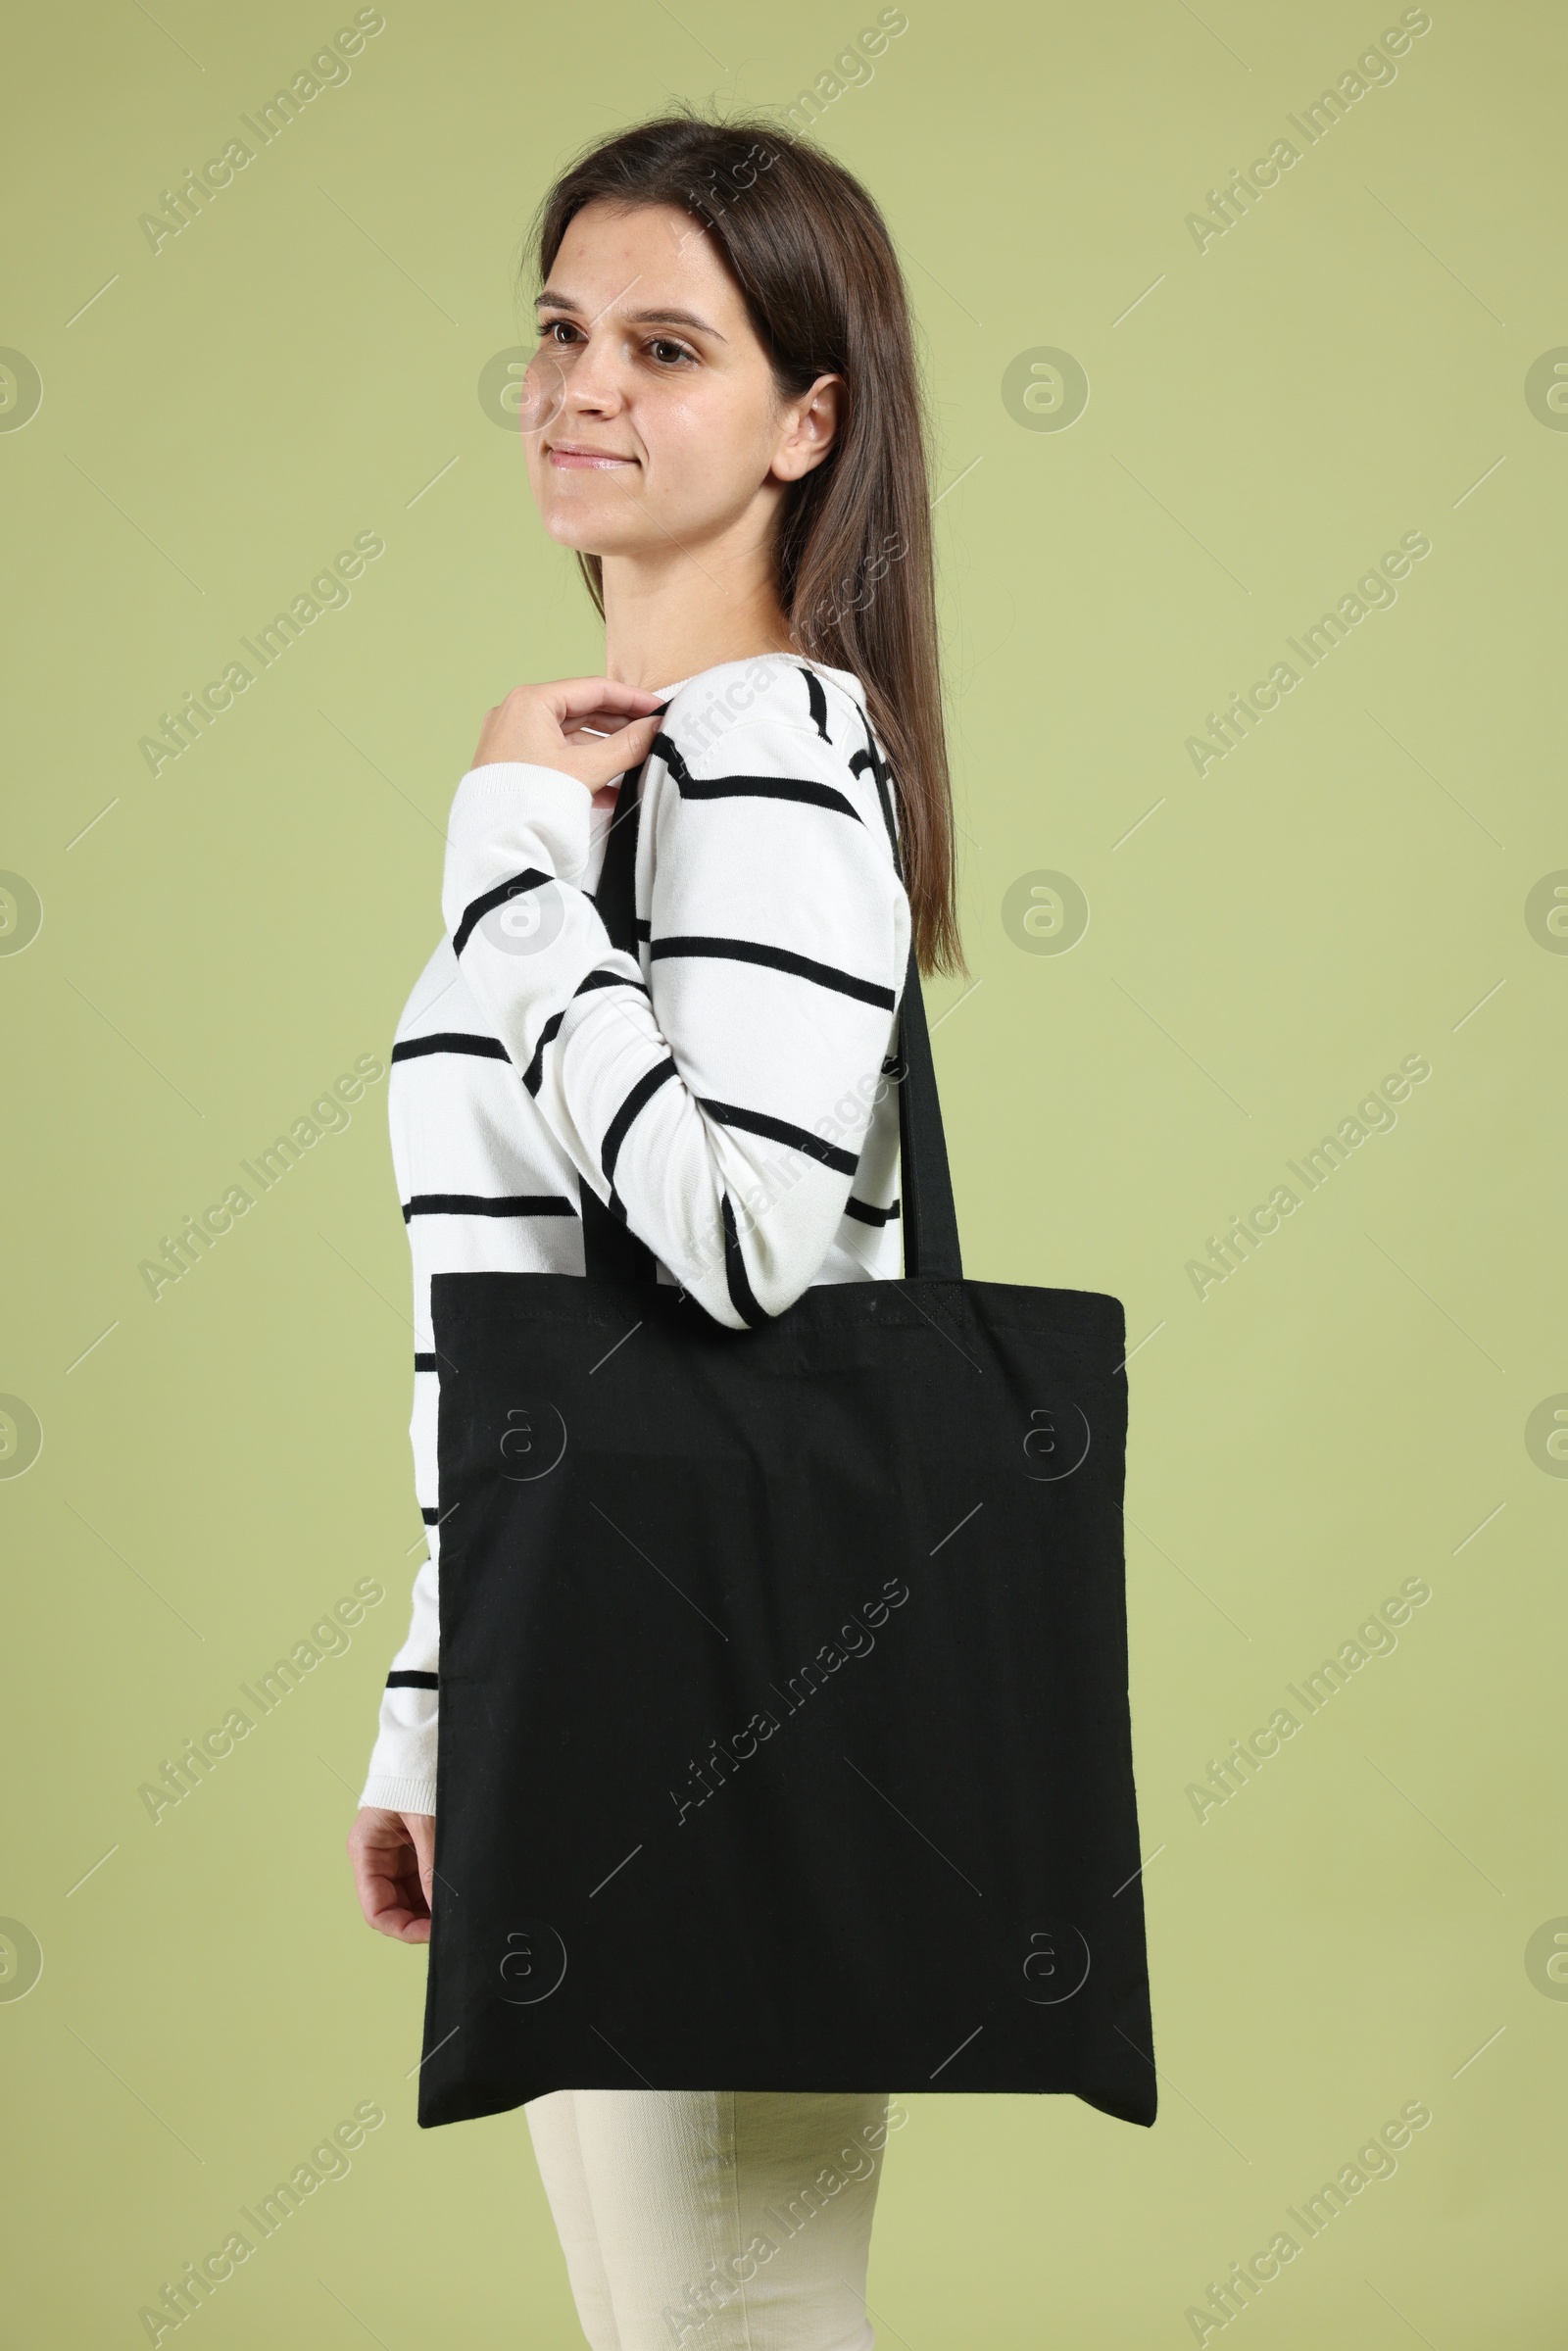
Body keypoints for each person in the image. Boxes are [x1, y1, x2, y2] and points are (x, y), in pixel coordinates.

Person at [346, 109, 963, 2351]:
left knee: (734, 2330)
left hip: (711, 1690)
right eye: (561, 332)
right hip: (581, 1684)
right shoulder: (625, 776)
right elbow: (522, 1328)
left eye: (666, 347)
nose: (582, 387)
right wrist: (437, 1710)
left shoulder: (774, 753)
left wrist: (507, 853)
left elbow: (731, 1250)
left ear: (808, 423)